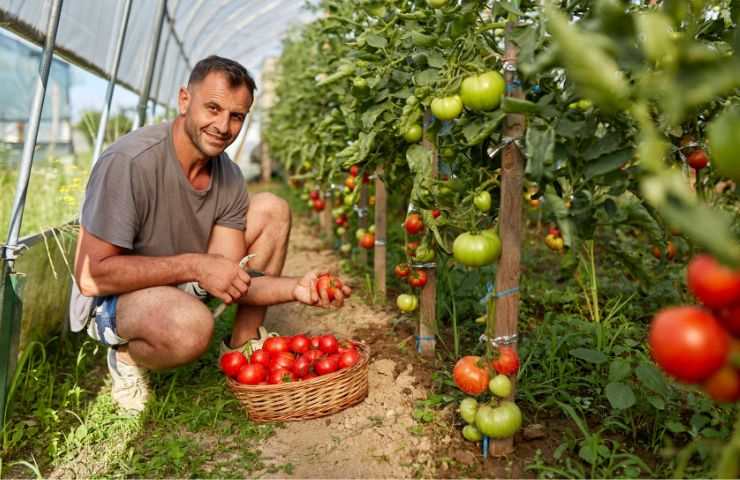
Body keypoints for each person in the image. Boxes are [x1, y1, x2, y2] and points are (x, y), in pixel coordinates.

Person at [68, 55, 351, 414]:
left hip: (179, 282)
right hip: (113, 300)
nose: (223, 126)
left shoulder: (228, 175)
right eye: (213, 108)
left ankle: (244, 350)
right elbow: (92, 278)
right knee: (191, 327)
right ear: (185, 100)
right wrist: (197, 265)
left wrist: (296, 288)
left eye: (236, 116)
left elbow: (232, 274)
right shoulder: (130, 163)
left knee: (271, 208)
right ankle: (125, 357)